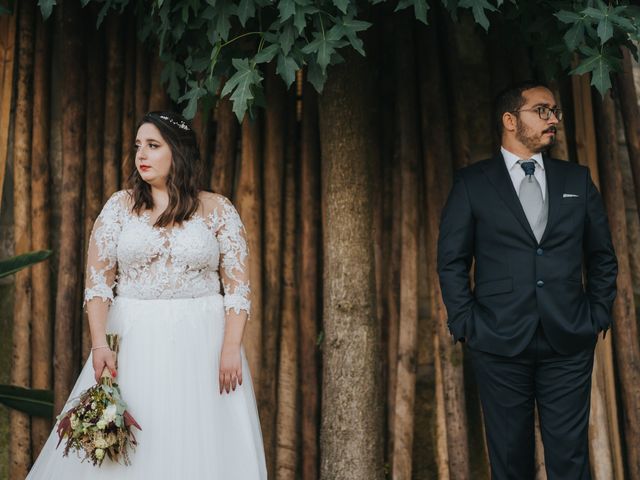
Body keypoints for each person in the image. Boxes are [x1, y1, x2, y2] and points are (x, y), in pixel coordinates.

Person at [27, 111, 267, 479]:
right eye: (138, 146)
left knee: (197, 437)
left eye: (153, 146)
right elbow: (97, 284)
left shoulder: (217, 209)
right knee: (132, 440)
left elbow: (238, 289)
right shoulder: (120, 207)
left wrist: (231, 347)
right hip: (132, 338)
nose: (142, 154)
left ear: (178, 153)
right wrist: (99, 344)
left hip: (202, 341)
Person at [437, 82, 617, 479]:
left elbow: (602, 256)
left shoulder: (577, 180)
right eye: (542, 110)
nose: (553, 119)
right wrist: (466, 323)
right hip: (497, 341)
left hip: (569, 339)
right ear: (510, 120)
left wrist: (597, 313)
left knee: (570, 460)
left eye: (555, 112)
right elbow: (451, 261)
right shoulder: (472, 183)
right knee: (509, 460)